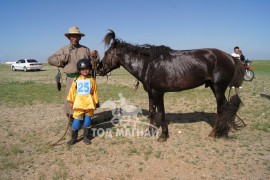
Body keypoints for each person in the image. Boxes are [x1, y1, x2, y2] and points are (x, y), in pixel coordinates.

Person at [48, 26, 95, 124]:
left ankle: (84, 122)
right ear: (69, 37)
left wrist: (95, 57)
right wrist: (63, 58)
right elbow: (50, 59)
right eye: (72, 36)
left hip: (84, 80)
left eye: (76, 36)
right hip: (71, 80)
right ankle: (72, 123)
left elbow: (92, 65)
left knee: (85, 100)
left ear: (80, 37)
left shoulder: (86, 50)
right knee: (70, 102)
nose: (74, 38)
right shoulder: (64, 49)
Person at [66, 59, 99, 145]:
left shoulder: (92, 80)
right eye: (83, 69)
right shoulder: (76, 80)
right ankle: (73, 138)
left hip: (89, 105)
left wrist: (95, 102)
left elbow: (95, 91)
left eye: (87, 68)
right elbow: (72, 91)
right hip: (79, 105)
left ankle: (86, 137)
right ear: (79, 70)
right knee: (76, 122)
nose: (85, 71)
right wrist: (71, 102)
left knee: (87, 122)